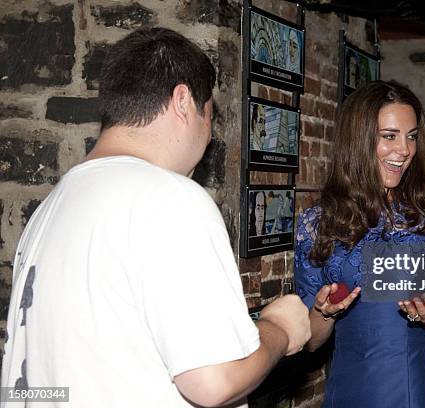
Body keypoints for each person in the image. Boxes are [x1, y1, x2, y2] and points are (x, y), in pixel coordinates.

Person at [0, 27, 310, 408]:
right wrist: (278, 330)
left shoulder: (49, 209)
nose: (208, 136)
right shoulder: (170, 198)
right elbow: (214, 381)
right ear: (183, 101)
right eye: (208, 114)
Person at [294, 80, 425, 408]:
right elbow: (312, 341)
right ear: (358, 140)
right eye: (389, 136)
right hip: (345, 393)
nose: (404, 150)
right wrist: (324, 311)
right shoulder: (317, 224)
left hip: (409, 393)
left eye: (411, 136)